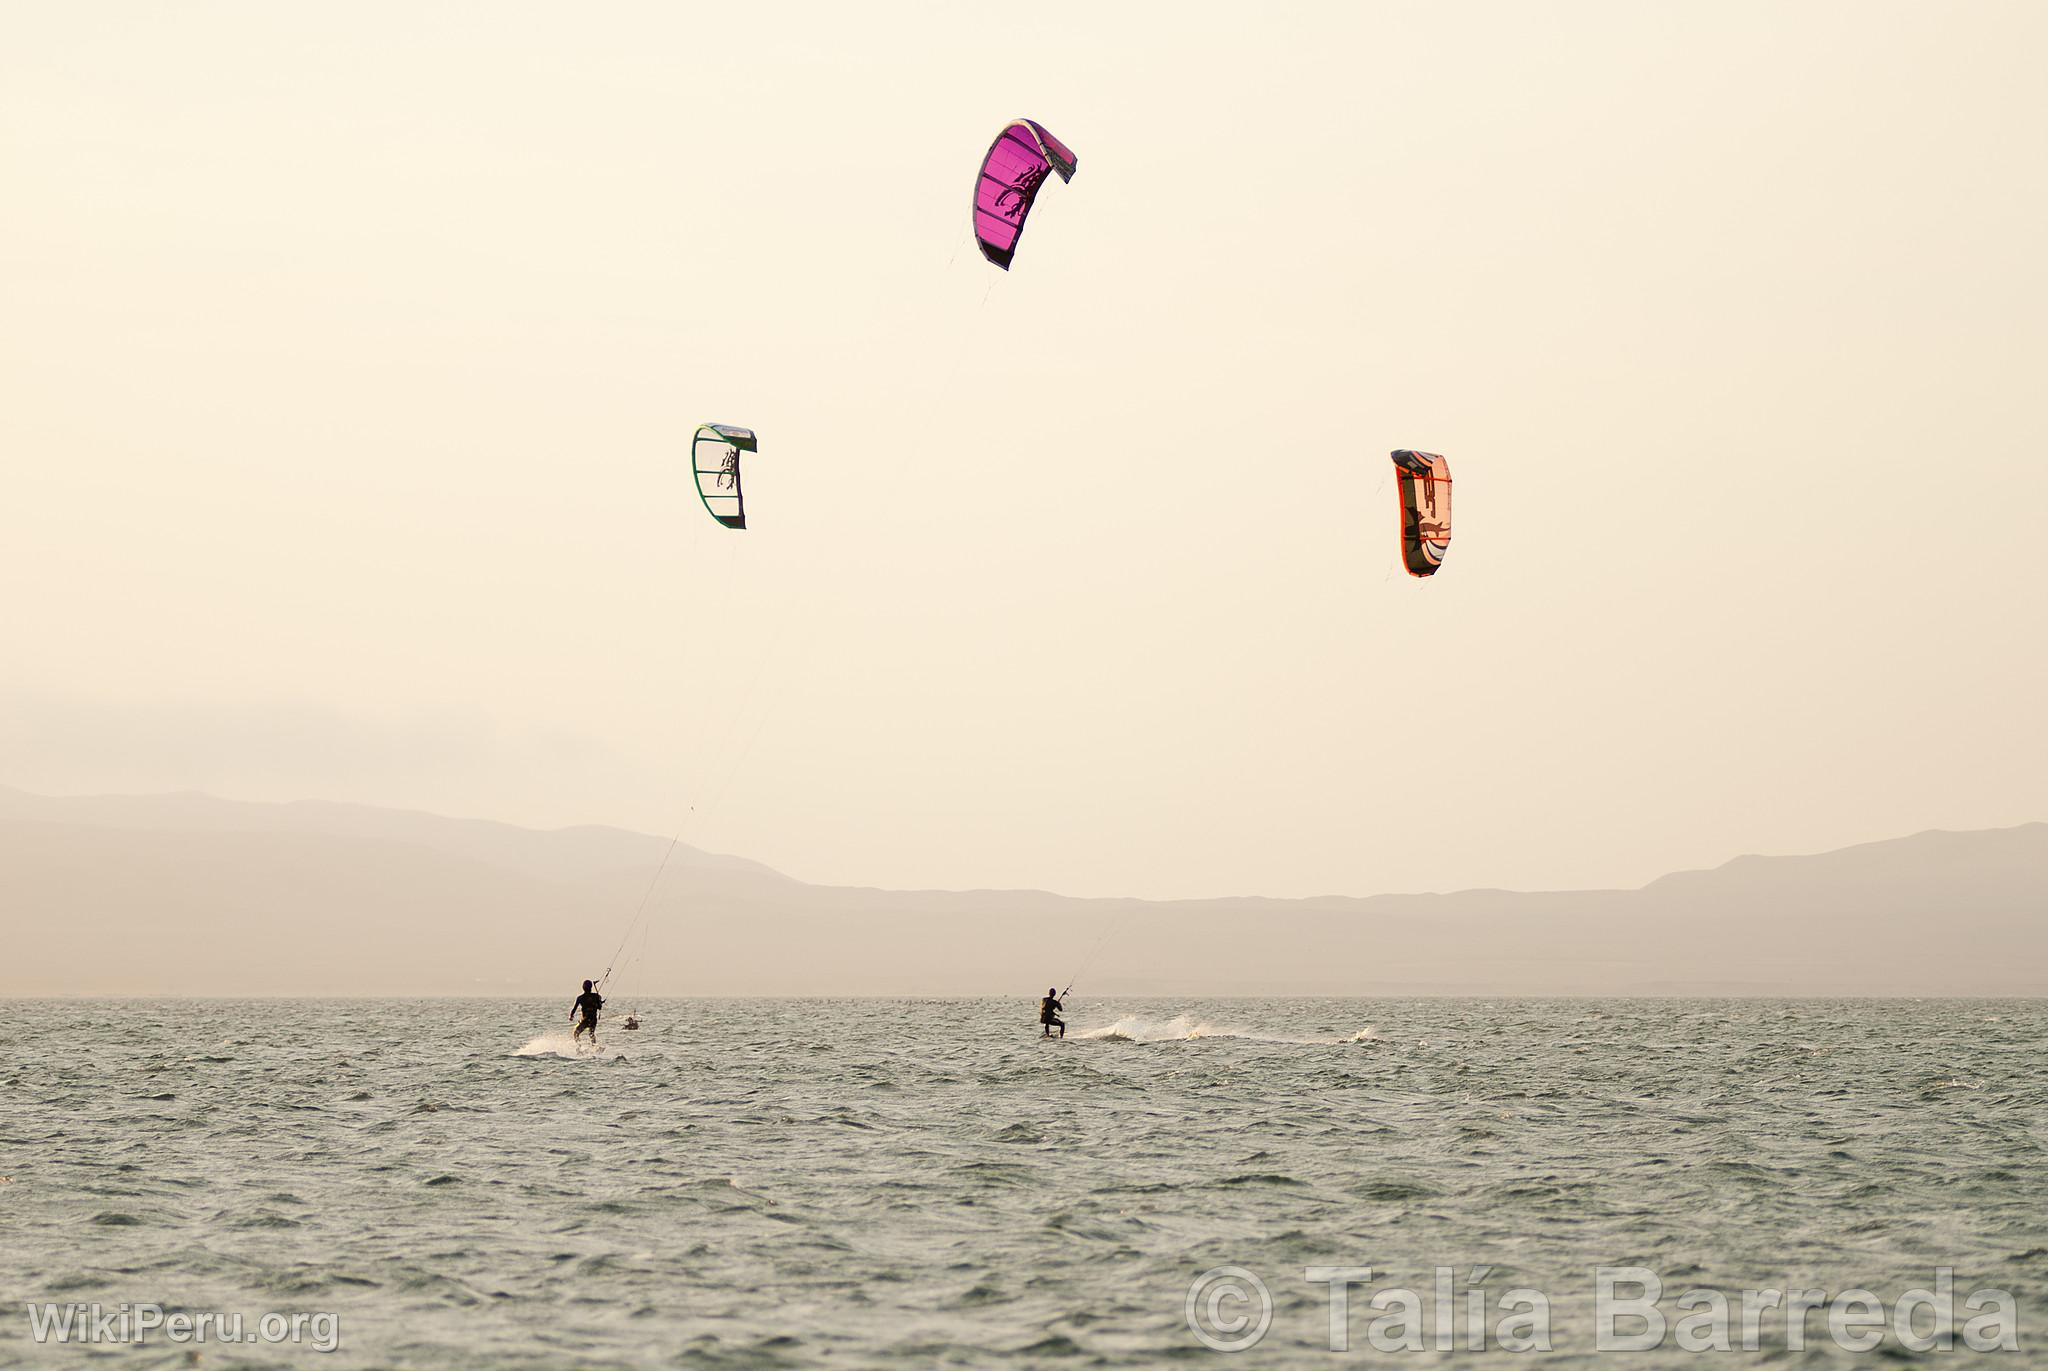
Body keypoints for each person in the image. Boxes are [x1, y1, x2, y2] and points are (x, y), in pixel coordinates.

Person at [571, 979, 604, 1048]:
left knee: (575, 1033)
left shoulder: (580, 998)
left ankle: (579, 1047)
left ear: (583, 987)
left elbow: (574, 1009)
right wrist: (599, 1001)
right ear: (591, 987)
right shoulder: (596, 996)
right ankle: (594, 1047)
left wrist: (571, 1016)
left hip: (585, 1020)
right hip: (593, 1019)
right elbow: (599, 1007)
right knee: (591, 1033)